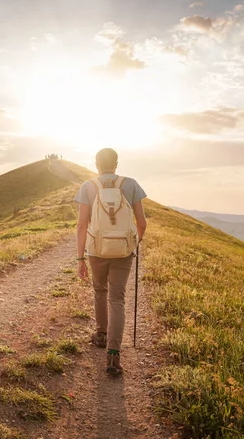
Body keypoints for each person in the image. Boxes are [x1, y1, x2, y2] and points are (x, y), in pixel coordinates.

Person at [74, 148, 147, 375]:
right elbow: (142, 223)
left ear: (96, 164)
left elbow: (81, 225)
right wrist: (132, 244)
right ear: (116, 163)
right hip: (123, 252)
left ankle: (101, 334)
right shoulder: (131, 184)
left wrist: (80, 259)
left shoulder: (88, 187)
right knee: (118, 299)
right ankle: (113, 355)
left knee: (99, 291)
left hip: (96, 251)